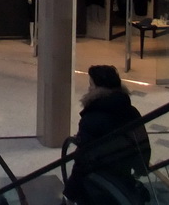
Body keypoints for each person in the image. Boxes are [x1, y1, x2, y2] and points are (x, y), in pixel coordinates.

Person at [63, 64, 151, 205]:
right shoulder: (132, 112)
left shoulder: (92, 118)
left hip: (97, 185)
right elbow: (142, 144)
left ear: (99, 88)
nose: (89, 88)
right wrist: (142, 168)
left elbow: (82, 161)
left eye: (91, 84)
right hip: (123, 180)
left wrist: (70, 193)